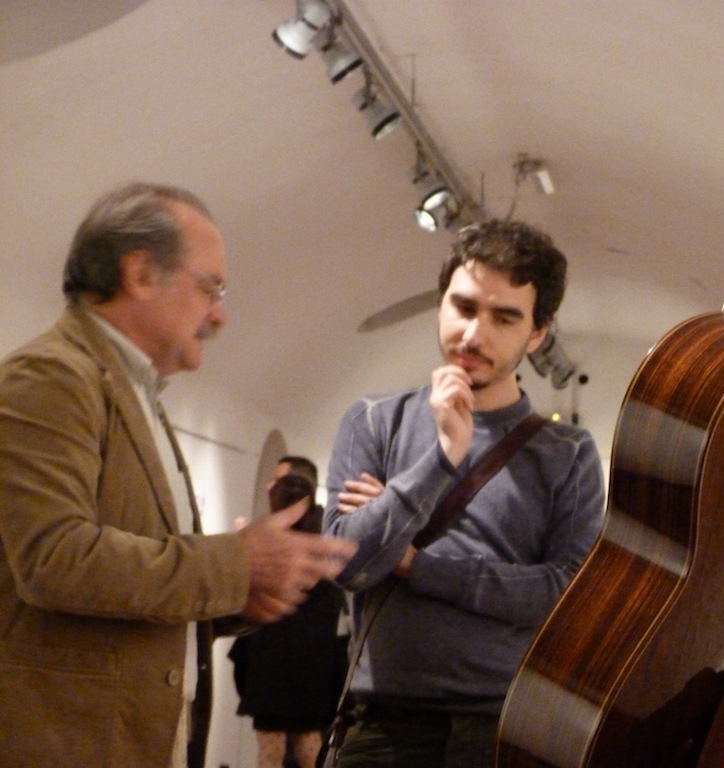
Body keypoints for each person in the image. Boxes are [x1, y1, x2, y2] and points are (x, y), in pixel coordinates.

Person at [0, 182, 357, 768]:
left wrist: (238, 598)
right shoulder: (52, 377)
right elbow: (54, 559)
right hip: (71, 742)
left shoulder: (137, 394)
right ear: (140, 274)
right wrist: (235, 564)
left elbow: (131, 584)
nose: (219, 314)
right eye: (210, 289)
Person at [323, 219, 606, 767]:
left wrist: (414, 564)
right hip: (383, 729)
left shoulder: (567, 453)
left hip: (507, 729)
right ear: (441, 305)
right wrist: (443, 457)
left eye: (505, 318)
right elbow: (347, 564)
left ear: (538, 333)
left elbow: (565, 594)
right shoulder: (375, 421)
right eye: (464, 307)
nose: (475, 335)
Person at [230, 456, 349, 768]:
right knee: (309, 746)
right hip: (312, 668)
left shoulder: (273, 546)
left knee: (271, 752)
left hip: (270, 665)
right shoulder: (323, 543)